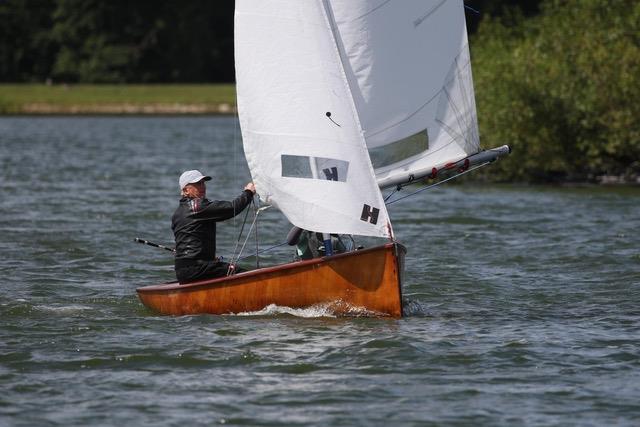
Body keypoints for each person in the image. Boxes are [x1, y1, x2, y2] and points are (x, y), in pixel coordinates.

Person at [172, 169, 256, 284]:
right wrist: (248, 192)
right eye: (197, 184)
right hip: (197, 268)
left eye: (203, 183)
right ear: (186, 190)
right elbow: (232, 208)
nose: (203, 187)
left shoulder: (178, 212)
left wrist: (208, 259)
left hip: (183, 271)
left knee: (224, 269)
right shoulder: (197, 207)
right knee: (243, 275)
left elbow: (186, 239)